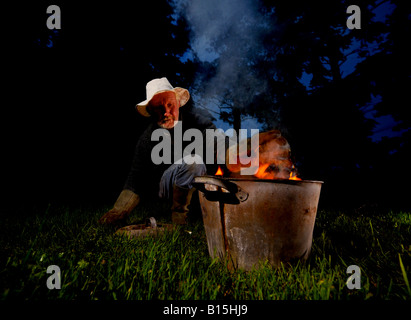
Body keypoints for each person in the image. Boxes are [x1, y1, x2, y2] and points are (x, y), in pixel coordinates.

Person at [98, 77, 218, 225]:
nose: (166, 112)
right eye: (159, 108)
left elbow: (220, 142)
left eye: (170, 105)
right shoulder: (147, 139)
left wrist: (235, 152)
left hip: (204, 187)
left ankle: (201, 211)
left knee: (197, 162)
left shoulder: (199, 123)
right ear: (150, 111)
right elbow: (136, 178)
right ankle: (180, 220)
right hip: (168, 188)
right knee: (192, 162)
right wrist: (118, 210)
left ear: (178, 104)